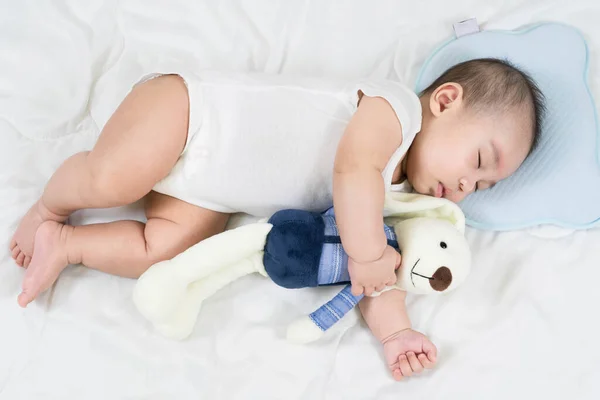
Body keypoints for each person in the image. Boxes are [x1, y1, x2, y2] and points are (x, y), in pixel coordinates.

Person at [9, 58, 545, 381]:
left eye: (484, 187)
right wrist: (365, 252)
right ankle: (51, 205)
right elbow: (352, 169)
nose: (469, 188)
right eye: (479, 162)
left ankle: (69, 243)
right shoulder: (397, 111)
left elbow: (381, 269)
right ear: (446, 101)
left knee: (166, 251)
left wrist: (397, 333)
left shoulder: (399, 202)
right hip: (191, 114)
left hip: (207, 192)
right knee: (114, 180)